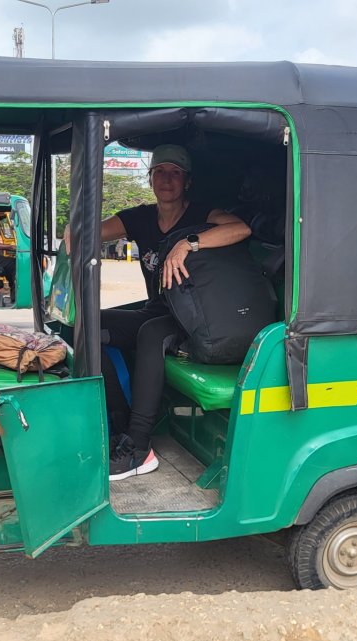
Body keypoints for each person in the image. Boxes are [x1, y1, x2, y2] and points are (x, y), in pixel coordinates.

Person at [96, 144, 250, 481]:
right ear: (150, 178)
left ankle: (139, 448)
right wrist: (69, 239)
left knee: (151, 333)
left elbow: (240, 230)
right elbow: (86, 233)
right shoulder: (139, 217)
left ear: (187, 182)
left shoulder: (202, 214)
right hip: (157, 309)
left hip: (192, 320)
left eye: (175, 173)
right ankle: (120, 424)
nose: (167, 179)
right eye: (160, 172)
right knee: (91, 326)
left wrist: (189, 243)